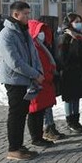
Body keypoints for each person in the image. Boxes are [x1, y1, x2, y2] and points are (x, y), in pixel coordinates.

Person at [0, 1, 44, 160]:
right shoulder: (6, 35)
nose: (28, 17)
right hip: (15, 81)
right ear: (16, 15)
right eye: (25, 14)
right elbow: (15, 62)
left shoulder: (23, 32)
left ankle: (19, 145)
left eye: (28, 13)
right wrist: (34, 74)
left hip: (26, 79)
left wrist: (38, 71)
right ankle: (13, 149)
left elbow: (34, 54)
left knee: (22, 114)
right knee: (16, 115)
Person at [27, 19, 58, 148]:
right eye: (40, 32)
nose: (42, 34)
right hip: (38, 81)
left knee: (40, 110)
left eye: (43, 32)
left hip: (46, 82)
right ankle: (36, 137)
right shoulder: (33, 46)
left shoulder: (41, 45)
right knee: (35, 112)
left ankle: (39, 135)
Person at [57, 13, 82, 133]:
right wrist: (67, 66)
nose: (79, 23)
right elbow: (61, 56)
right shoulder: (66, 37)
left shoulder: (79, 37)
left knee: (77, 97)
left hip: (79, 70)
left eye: (80, 21)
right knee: (70, 98)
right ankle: (70, 121)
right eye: (76, 21)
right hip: (69, 71)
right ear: (70, 23)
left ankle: (76, 121)